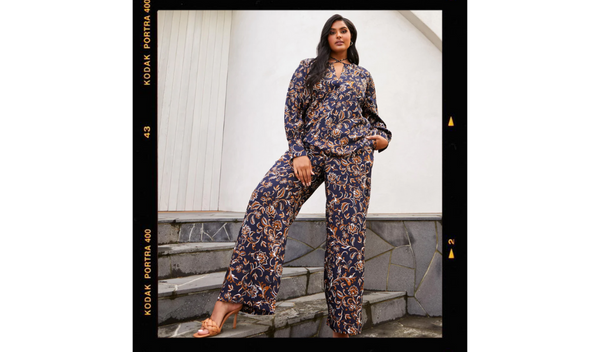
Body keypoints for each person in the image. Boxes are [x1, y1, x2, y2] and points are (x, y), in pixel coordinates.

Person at [194, 13, 392, 339]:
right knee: (266, 198)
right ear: (325, 38)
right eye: (332, 31)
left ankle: (345, 328)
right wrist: (298, 151)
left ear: (351, 37)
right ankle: (231, 300)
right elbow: (292, 109)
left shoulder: (362, 76)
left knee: (347, 242)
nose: (338, 35)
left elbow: (375, 119)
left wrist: (382, 139)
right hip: (310, 150)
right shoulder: (308, 67)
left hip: (353, 159)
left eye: (344, 30)